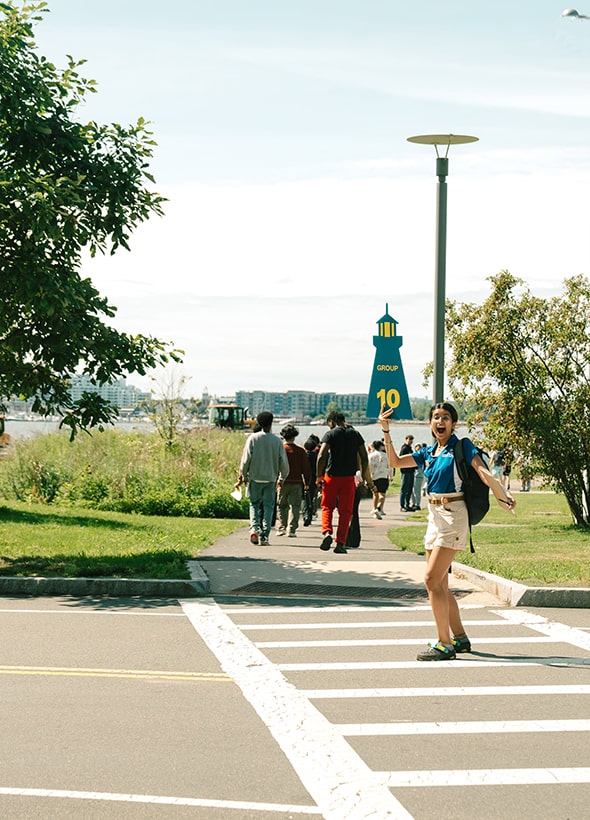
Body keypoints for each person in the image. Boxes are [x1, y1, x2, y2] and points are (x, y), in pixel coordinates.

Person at [379, 402, 516, 661]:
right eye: (435, 418)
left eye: (445, 418)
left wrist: (502, 493)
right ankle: (460, 638)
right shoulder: (429, 452)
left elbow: (483, 471)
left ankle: (445, 644)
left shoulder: (461, 446)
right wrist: (386, 431)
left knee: (431, 580)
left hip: (454, 515)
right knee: (440, 583)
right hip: (434, 516)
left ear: (453, 423)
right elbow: (395, 462)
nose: (439, 422)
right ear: (430, 424)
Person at [316, 410, 375, 555]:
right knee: (346, 511)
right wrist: (363, 473)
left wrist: (318, 476)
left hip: (331, 476)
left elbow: (322, 455)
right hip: (348, 478)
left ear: (332, 421)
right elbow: (364, 456)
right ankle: (341, 543)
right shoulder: (355, 434)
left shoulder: (331, 434)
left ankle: (327, 533)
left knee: (327, 507)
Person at [238, 411, 289, 547]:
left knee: (254, 504)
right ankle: (265, 536)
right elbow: (284, 463)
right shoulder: (277, 441)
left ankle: (254, 529)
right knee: (268, 507)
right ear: (271, 423)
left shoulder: (253, 438)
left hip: (255, 478)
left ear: (258, 423)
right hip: (271, 479)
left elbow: (245, 460)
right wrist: (282, 478)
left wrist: (243, 475)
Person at [276, 424, 311, 538]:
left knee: (282, 505)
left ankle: (282, 527)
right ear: (294, 436)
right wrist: (307, 482)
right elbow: (306, 468)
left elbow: (276, 465)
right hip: (297, 481)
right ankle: (291, 529)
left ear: (283, 436)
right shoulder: (300, 451)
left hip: (283, 482)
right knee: (295, 506)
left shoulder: (280, 449)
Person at [302, 435, 321, 526]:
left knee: (304, 498)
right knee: (312, 496)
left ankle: (306, 515)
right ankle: (311, 513)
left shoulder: (303, 456)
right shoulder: (317, 456)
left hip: (304, 479)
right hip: (314, 479)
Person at [368, 440, 390, 519]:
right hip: (383, 476)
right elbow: (389, 466)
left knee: (375, 494)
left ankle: (374, 508)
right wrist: (390, 476)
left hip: (374, 476)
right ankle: (379, 508)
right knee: (382, 494)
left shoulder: (370, 456)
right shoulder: (385, 455)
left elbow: (368, 467)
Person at [399, 434, 416, 511]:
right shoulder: (404, 448)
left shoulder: (410, 449)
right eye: (409, 439)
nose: (411, 441)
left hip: (411, 471)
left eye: (412, 440)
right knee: (404, 489)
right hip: (405, 471)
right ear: (406, 439)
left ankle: (407, 504)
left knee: (409, 489)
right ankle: (402, 506)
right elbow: (401, 459)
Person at [411, 442, 426, 510]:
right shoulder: (414, 455)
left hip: (419, 475)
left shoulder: (421, 457)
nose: (418, 448)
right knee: (412, 490)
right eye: (416, 446)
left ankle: (417, 504)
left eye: (419, 447)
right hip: (413, 474)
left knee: (417, 490)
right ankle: (413, 503)